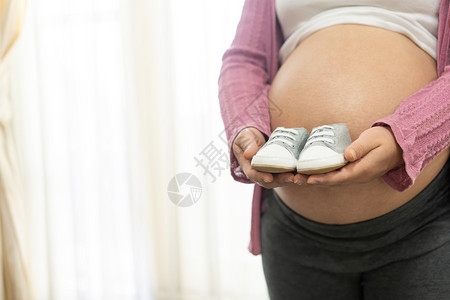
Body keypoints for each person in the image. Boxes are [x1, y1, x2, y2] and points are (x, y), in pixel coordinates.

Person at [218, 0, 450, 299]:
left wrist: (406, 137)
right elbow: (244, 60)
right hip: (294, 232)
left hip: (423, 225)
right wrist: (246, 127)